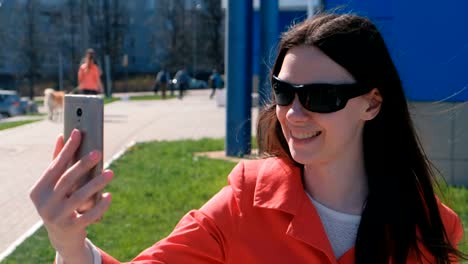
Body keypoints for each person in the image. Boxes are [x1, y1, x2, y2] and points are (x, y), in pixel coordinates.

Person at [29, 13, 467, 263]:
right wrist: (69, 242)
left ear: (372, 104)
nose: (295, 112)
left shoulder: (430, 227)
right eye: (284, 91)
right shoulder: (244, 201)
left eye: (322, 96)